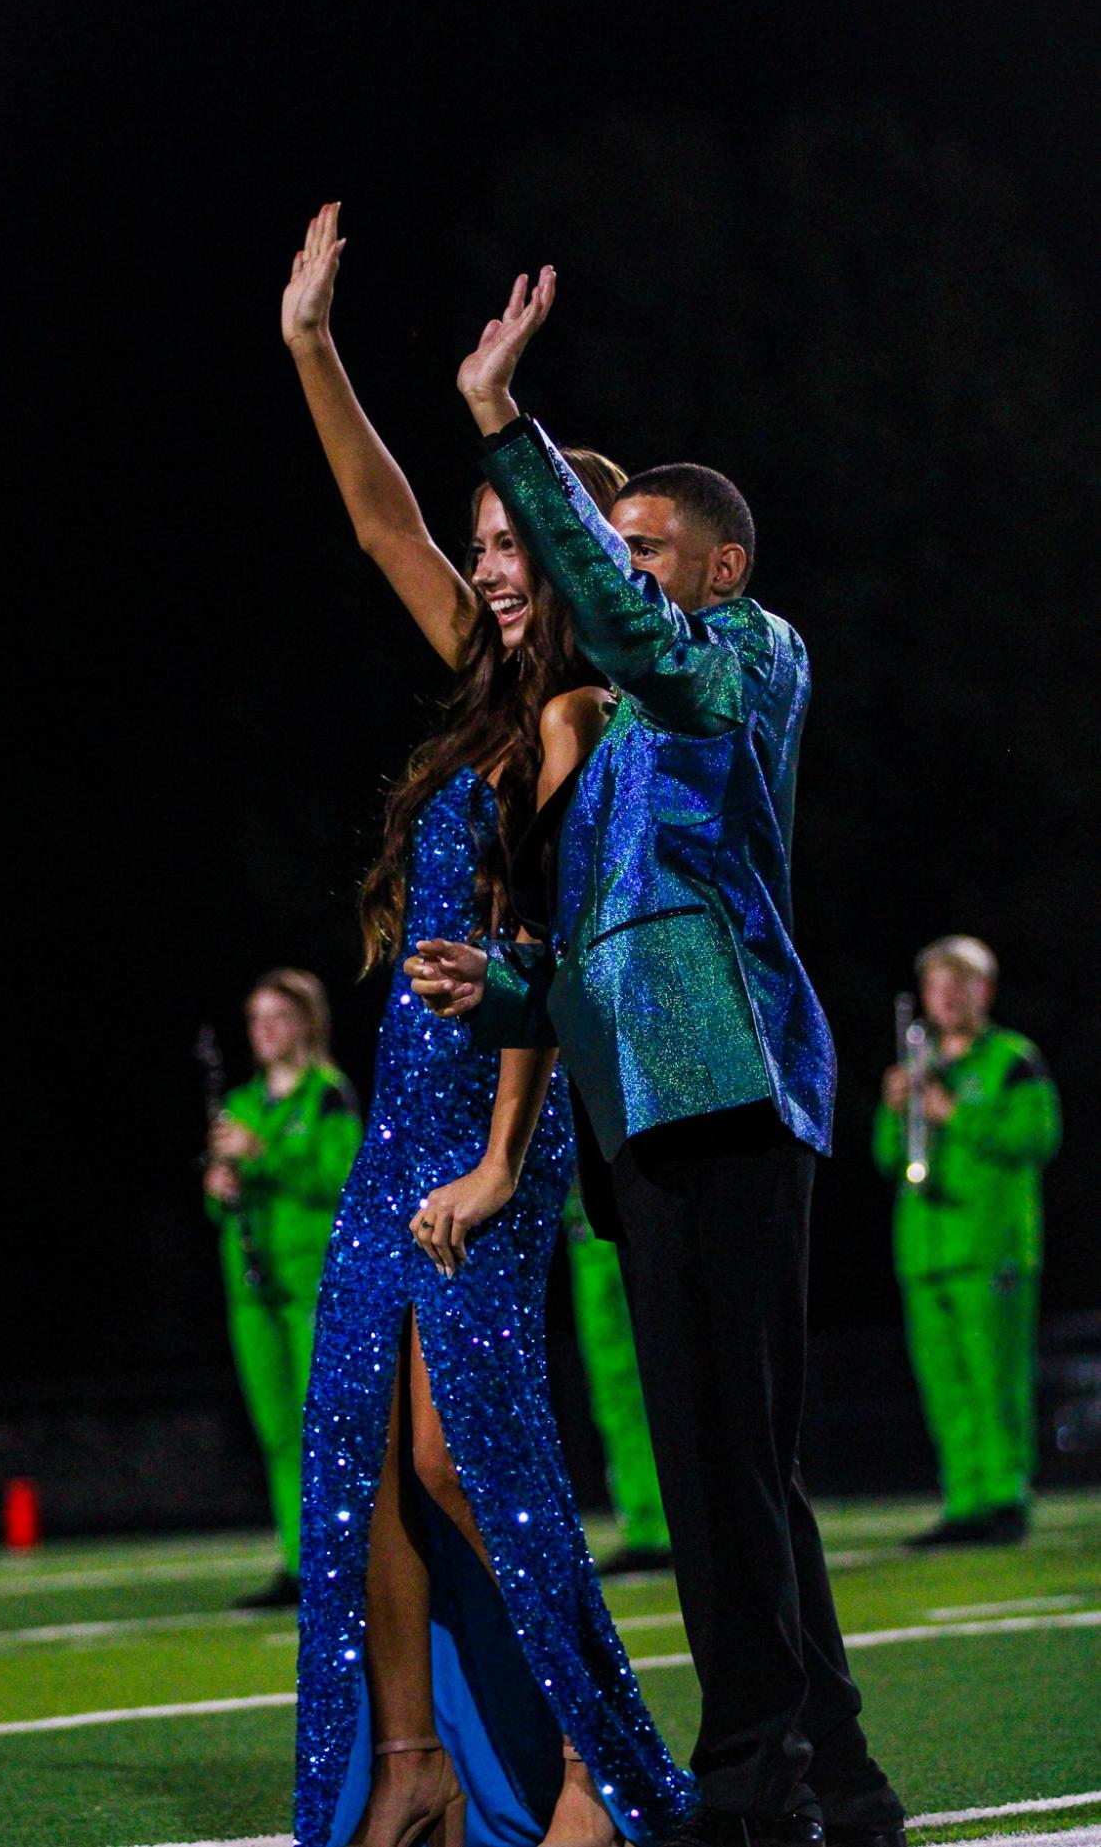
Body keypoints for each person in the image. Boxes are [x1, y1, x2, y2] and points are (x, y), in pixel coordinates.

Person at [407, 268, 906, 1847]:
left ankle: (755, 1778)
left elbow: (633, 631)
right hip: (649, 1106)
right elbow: (595, 956)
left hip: (728, 1088)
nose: (616, 580)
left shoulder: (743, 656)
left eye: (642, 553)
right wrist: (499, 989)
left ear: (718, 564)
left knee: (720, 1473)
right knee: (729, 1468)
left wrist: (503, 429)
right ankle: (836, 1776)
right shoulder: (621, 728)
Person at [282, 206, 690, 1847]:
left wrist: (507, 1157)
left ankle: (598, 1771)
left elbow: (543, 940)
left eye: (522, 549)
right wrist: (310, 347)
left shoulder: (584, 715)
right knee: (360, 1461)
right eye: (492, 551)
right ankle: (408, 1770)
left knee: (472, 1467)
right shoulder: (477, 683)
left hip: (484, 1134)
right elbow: (384, 528)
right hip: (393, 1126)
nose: (498, 573)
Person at [873, 935, 1061, 1548]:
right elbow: (885, 1158)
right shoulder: (919, 1064)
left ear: (986, 990)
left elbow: (1037, 1136)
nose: (948, 996)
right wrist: (894, 1109)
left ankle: (1004, 1498)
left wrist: (957, 1113)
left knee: (994, 1379)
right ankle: (963, 1500)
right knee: (944, 1385)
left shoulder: (1012, 1058)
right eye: (938, 985)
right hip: (926, 1254)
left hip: (989, 1249)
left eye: (962, 983)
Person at [205, 968, 363, 1608]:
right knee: (277, 1431)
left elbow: (343, 1181)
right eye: (255, 1018)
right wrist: (220, 1188)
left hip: (312, 1285)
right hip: (254, 1290)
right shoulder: (242, 1100)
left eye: (276, 1016)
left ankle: (344, 1561)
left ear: (307, 1023)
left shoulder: (328, 1095)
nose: (263, 1030)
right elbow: (226, 1198)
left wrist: (262, 1154)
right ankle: (301, 1564)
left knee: (327, 1427)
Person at [565, 1185, 671, 1574]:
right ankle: (646, 1526)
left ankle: (682, 1520)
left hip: (635, 1210)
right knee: (615, 1394)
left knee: (668, 1375)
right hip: (587, 1232)